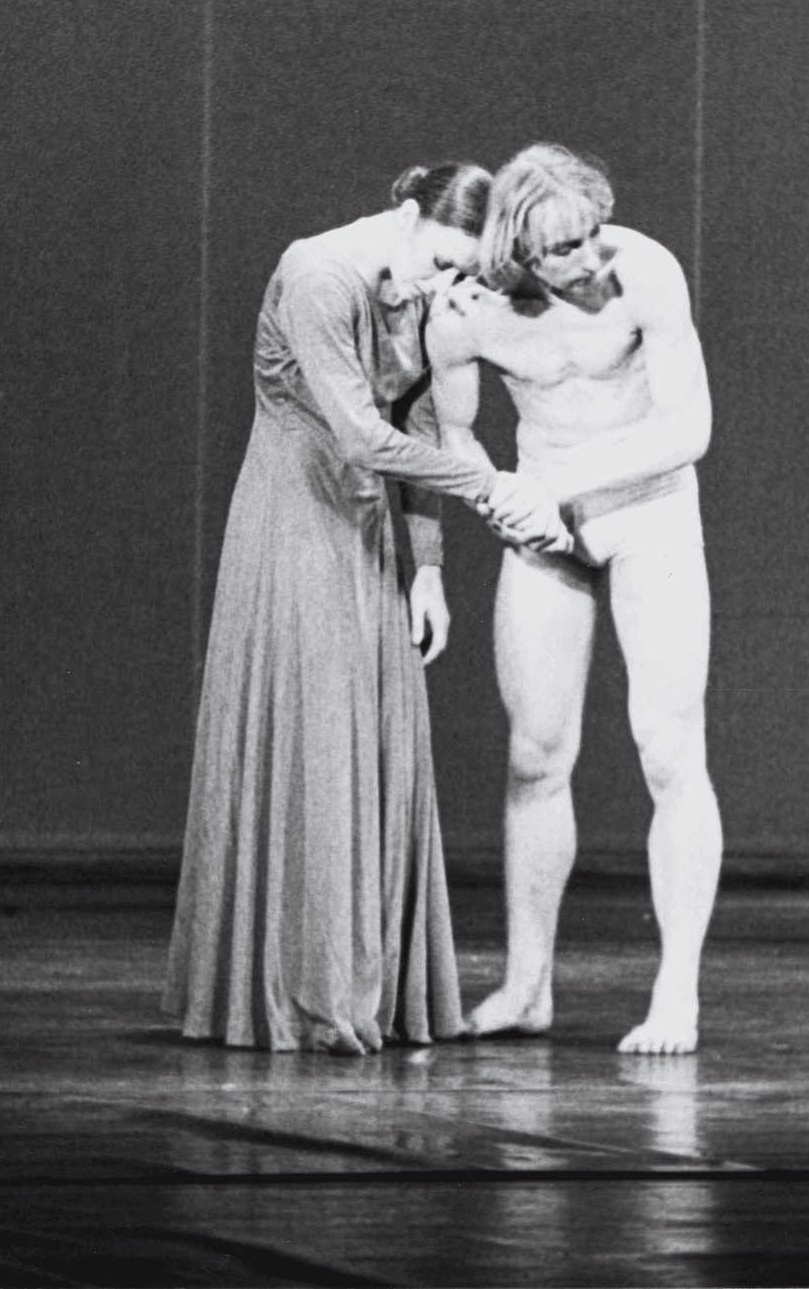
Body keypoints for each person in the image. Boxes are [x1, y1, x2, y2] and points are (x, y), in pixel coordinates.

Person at [162, 162, 568, 1055]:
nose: (444, 285)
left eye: (463, 272)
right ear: (404, 213)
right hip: (298, 516)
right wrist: (493, 484)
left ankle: (371, 988)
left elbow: (417, 418)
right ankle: (302, 992)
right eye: (442, 262)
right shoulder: (318, 273)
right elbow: (356, 431)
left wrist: (427, 567)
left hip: (369, 528)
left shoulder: (420, 284)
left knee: (373, 744)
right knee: (315, 739)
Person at [426, 144, 722, 1055]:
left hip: (649, 516)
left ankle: (677, 995)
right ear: (517, 251)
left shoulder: (644, 273)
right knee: (536, 755)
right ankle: (527, 986)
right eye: (564, 249)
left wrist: (559, 485)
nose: (590, 257)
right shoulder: (466, 315)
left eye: (593, 233)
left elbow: (688, 428)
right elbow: (458, 434)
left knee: (669, 751)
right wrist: (502, 505)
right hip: (544, 530)